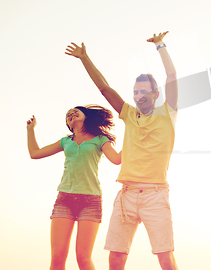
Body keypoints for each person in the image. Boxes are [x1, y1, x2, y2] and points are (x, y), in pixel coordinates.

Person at [65, 31, 179, 270]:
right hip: (126, 194)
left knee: (165, 257)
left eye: (144, 91)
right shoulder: (129, 114)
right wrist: (84, 58)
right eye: (136, 92)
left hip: (155, 195)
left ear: (156, 94)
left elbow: (171, 75)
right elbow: (104, 89)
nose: (138, 96)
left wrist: (160, 45)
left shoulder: (167, 114)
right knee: (116, 257)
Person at [26, 105, 121, 270]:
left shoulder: (100, 139)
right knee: (57, 259)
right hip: (64, 200)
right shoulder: (65, 141)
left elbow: (117, 159)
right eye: (68, 115)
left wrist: (135, 138)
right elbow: (35, 153)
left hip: (90, 201)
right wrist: (30, 130)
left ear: (86, 116)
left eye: (75, 111)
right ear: (69, 125)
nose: (71, 114)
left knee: (83, 258)